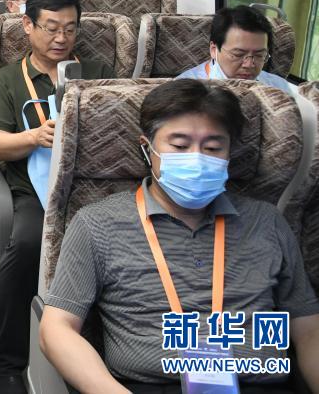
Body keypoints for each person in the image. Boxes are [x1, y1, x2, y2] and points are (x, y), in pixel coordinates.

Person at [40, 79, 319, 393]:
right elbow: (57, 328)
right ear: (147, 148)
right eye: (180, 146)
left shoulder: (267, 222)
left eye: (213, 148)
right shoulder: (97, 223)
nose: (197, 159)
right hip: (148, 385)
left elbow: (309, 330)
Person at [0, 0, 115, 393]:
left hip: (99, 185)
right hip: (34, 188)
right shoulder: (8, 79)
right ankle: (7, 362)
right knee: (26, 247)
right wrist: (34, 136)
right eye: (52, 28)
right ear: (27, 25)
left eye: (70, 29)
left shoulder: (98, 72)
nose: (61, 38)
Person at [177, 5, 293, 94]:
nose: (249, 65)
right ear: (214, 50)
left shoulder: (279, 88)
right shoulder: (185, 91)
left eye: (259, 55)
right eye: (238, 54)